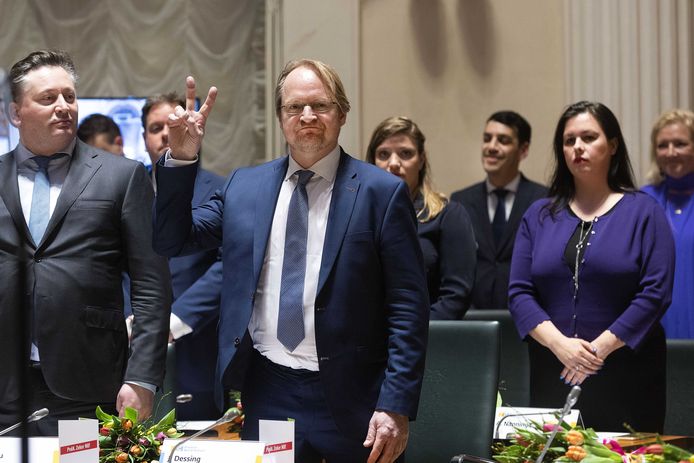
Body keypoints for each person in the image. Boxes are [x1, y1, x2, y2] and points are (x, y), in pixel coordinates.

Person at [152, 59, 429, 463]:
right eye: (294, 107)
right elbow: (173, 240)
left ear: (343, 113)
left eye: (320, 105)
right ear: (281, 117)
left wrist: (396, 405)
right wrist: (181, 160)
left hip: (357, 397)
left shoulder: (380, 193)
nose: (307, 117)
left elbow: (408, 307)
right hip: (269, 390)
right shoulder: (245, 186)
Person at [0, 49, 171, 435]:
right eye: (48, 98)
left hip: (87, 384)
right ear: (15, 113)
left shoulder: (121, 177)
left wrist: (142, 377)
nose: (63, 106)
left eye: (69, 96)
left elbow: (151, 286)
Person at [509, 101, 675, 432]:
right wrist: (560, 345)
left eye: (588, 137)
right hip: (553, 367)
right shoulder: (539, 215)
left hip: (627, 371)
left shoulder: (644, 211)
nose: (577, 148)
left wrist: (596, 351)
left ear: (612, 145)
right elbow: (519, 292)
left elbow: (656, 292)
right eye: (569, 141)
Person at [141, 92, 225, 420]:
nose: (165, 133)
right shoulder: (126, 189)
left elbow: (228, 263)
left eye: (173, 124)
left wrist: (176, 320)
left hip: (197, 346)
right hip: (133, 347)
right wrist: (132, 320)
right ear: (144, 137)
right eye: (155, 127)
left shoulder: (222, 188)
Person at [366, 116, 476, 319]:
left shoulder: (449, 215)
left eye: (405, 153)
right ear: (372, 161)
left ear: (422, 159)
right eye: (383, 154)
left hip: (429, 338)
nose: (393, 163)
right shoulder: (358, 215)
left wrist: (408, 333)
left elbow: (456, 297)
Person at [451, 111, 547, 310]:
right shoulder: (460, 201)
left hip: (528, 318)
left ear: (523, 150)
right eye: (487, 139)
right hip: (473, 320)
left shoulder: (545, 200)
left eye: (502, 140)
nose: (491, 147)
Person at [642, 109, 694, 339]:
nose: (671, 153)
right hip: (654, 324)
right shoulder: (641, 201)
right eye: (663, 145)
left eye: (680, 144)